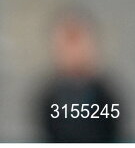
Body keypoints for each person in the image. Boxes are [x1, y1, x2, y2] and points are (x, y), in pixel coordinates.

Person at [34, 8, 127, 142]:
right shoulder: (48, 97)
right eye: (68, 42)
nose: (73, 51)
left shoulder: (106, 94)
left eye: (77, 41)